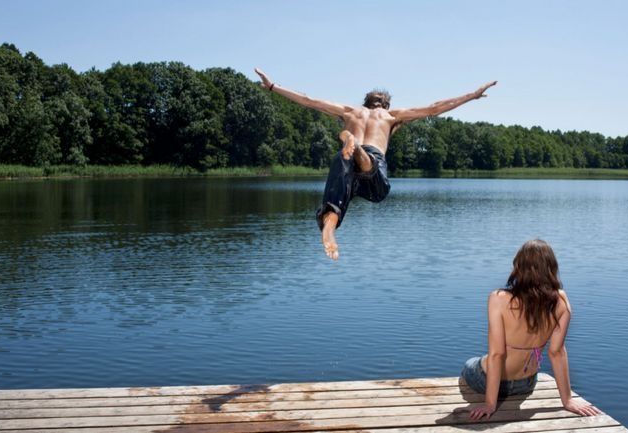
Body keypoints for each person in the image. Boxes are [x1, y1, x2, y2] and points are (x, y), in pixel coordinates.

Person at [254, 68, 496, 260]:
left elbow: (308, 101)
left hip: (345, 159)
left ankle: (329, 225)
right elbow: (434, 108)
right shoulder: (390, 116)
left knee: (337, 199)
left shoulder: (349, 111)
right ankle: (359, 151)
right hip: (372, 160)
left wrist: (273, 86)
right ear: (385, 105)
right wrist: (471, 96)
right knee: (377, 186)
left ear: (365, 102)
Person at [462, 239, 600, 420]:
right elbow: (557, 353)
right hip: (526, 383)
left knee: (470, 363)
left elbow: (497, 354)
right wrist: (567, 400)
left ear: (518, 266)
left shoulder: (498, 298)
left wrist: (490, 403)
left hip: (486, 380)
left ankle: (489, 391)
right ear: (551, 268)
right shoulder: (562, 300)